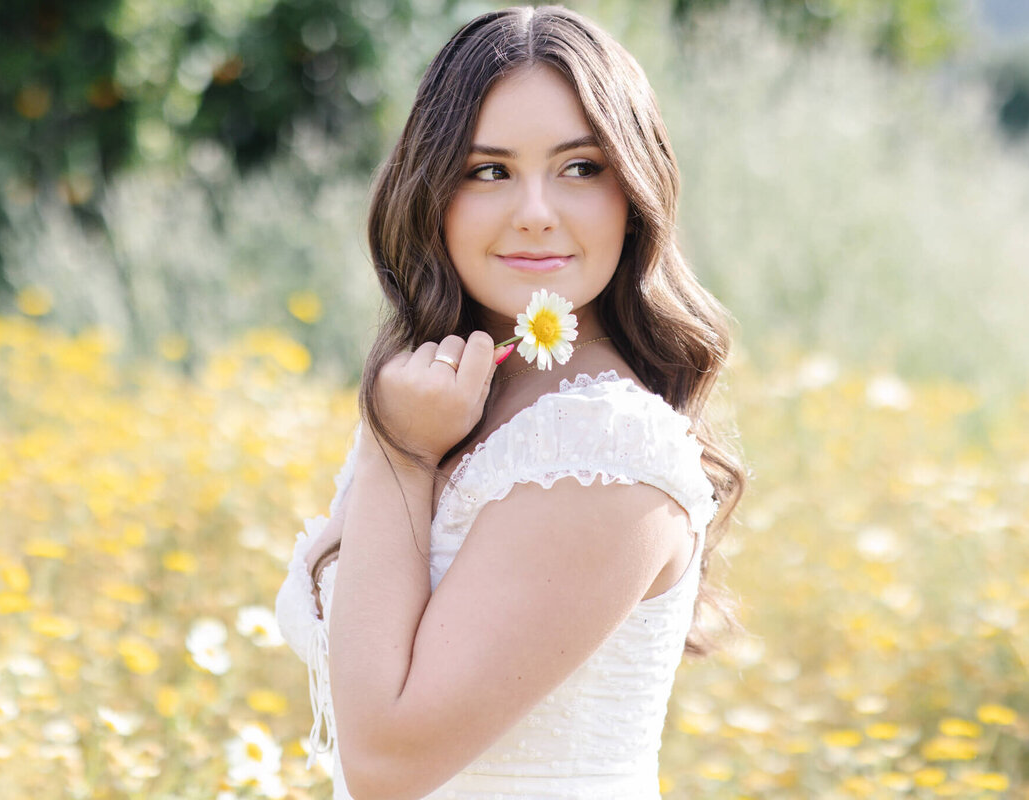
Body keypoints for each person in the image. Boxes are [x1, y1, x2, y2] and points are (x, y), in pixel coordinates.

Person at [275, 6, 745, 798]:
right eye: (488, 170)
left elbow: (388, 763)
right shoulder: (462, 397)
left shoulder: (605, 453)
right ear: (432, 192)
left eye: (581, 167)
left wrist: (399, 452)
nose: (535, 209)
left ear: (635, 192)